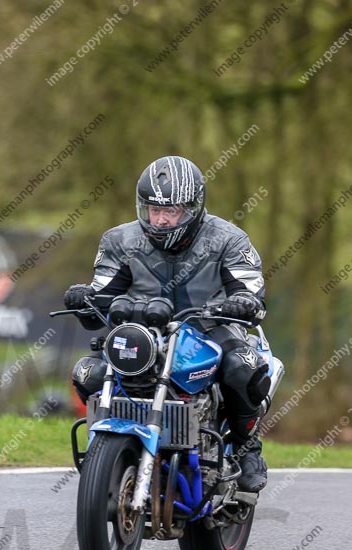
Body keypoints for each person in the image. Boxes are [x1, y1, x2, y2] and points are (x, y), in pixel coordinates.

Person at [63, 155, 271, 492]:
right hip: (145, 332)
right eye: (153, 210)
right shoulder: (119, 241)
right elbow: (99, 303)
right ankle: (110, 449)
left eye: (170, 211)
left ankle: (248, 449)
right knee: (89, 373)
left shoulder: (229, 239)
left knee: (240, 367)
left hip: (210, 328)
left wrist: (243, 300)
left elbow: (253, 295)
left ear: (192, 208)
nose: (160, 220)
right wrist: (84, 299)